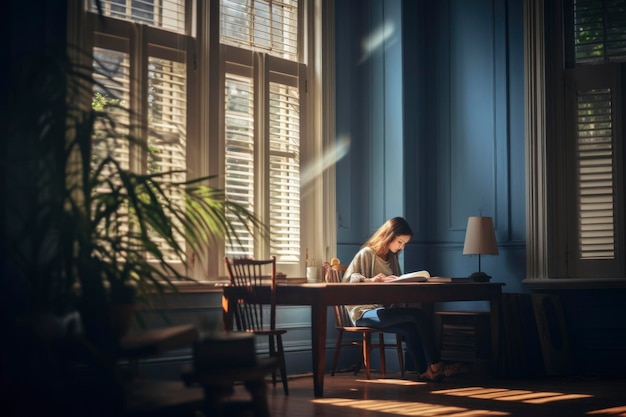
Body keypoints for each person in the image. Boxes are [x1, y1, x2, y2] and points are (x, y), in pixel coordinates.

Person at [342, 216, 445, 381]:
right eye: (400, 242)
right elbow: (348, 281)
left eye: (404, 244)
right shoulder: (367, 254)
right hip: (363, 313)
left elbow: (397, 281)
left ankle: (424, 372)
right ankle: (436, 364)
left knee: (411, 328)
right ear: (389, 236)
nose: (401, 247)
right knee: (418, 316)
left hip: (382, 310)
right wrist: (372, 280)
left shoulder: (391, 258)